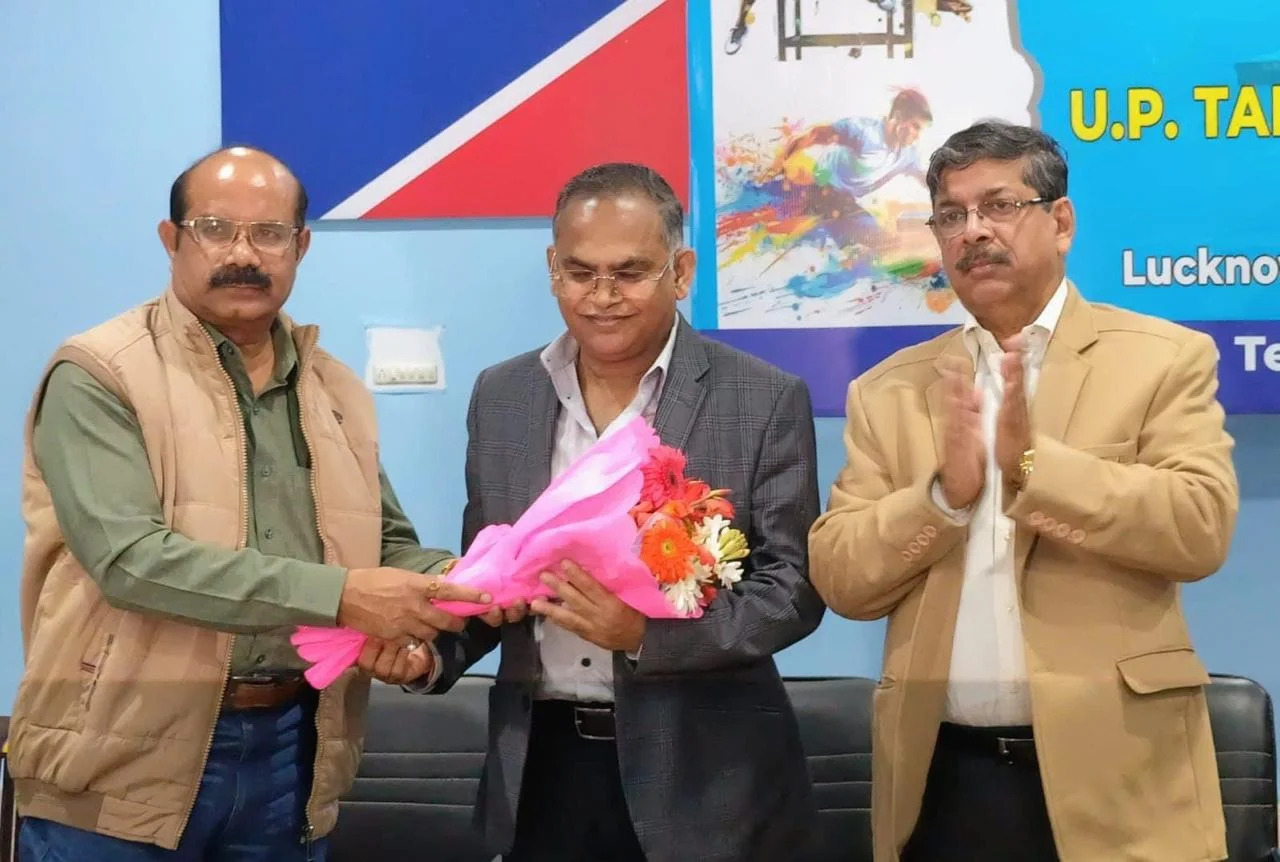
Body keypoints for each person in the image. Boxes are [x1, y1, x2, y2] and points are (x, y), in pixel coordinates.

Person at [9, 146, 488, 861]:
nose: (242, 254)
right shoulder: (99, 374)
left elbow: (384, 546)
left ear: (300, 247)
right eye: (214, 229)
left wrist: (473, 582)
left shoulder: (334, 389)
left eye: (268, 233)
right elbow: (131, 563)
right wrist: (346, 598)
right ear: (171, 239)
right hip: (117, 758)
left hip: (294, 754)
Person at [808, 121, 1237, 861]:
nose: (973, 231)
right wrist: (944, 497)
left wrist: (1035, 469)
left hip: (1120, 776)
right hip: (944, 778)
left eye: (1000, 206)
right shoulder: (889, 390)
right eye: (951, 215)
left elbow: (1199, 528)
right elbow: (842, 576)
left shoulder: (1162, 359)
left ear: (1061, 221)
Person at [409, 162, 826, 861]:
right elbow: (492, 578)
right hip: (539, 768)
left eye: (630, 273)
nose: (602, 297)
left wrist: (643, 635)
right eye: (580, 273)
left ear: (680, 272)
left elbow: (792, 589)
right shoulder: (503, 396)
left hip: (704, 779)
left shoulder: (762, 398)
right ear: (553, 269)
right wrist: (427, 654)